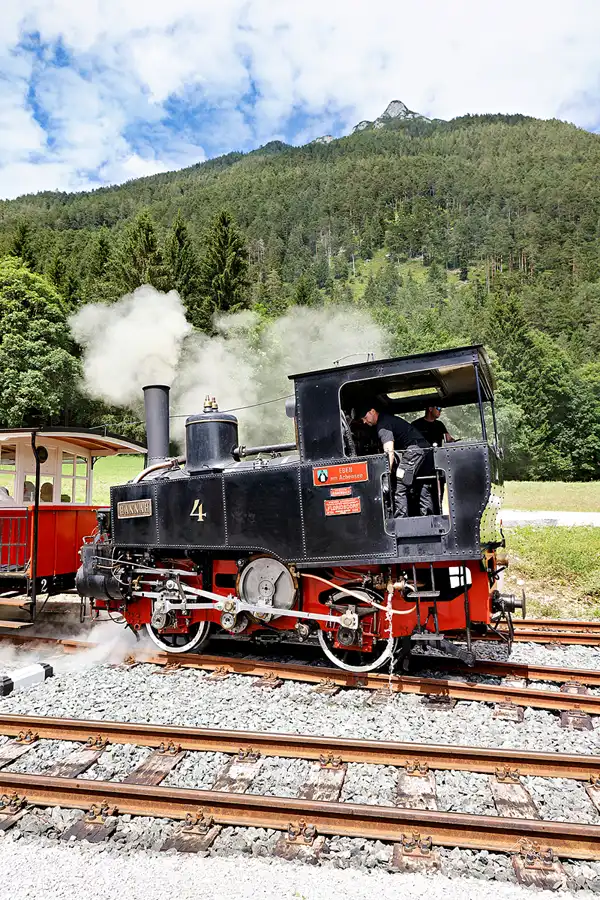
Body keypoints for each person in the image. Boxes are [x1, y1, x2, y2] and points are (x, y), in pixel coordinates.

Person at [358, 403, 434, 518]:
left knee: (400, 482)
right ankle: (429, 517)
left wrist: (385, 475)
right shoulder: (387, 419)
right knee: (422, 484)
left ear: (372, 411)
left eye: (365, 417)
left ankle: (400, 520)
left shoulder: (383, 426)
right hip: (424, 449)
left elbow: (389, 451)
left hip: (414, 450)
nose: (364, 421)